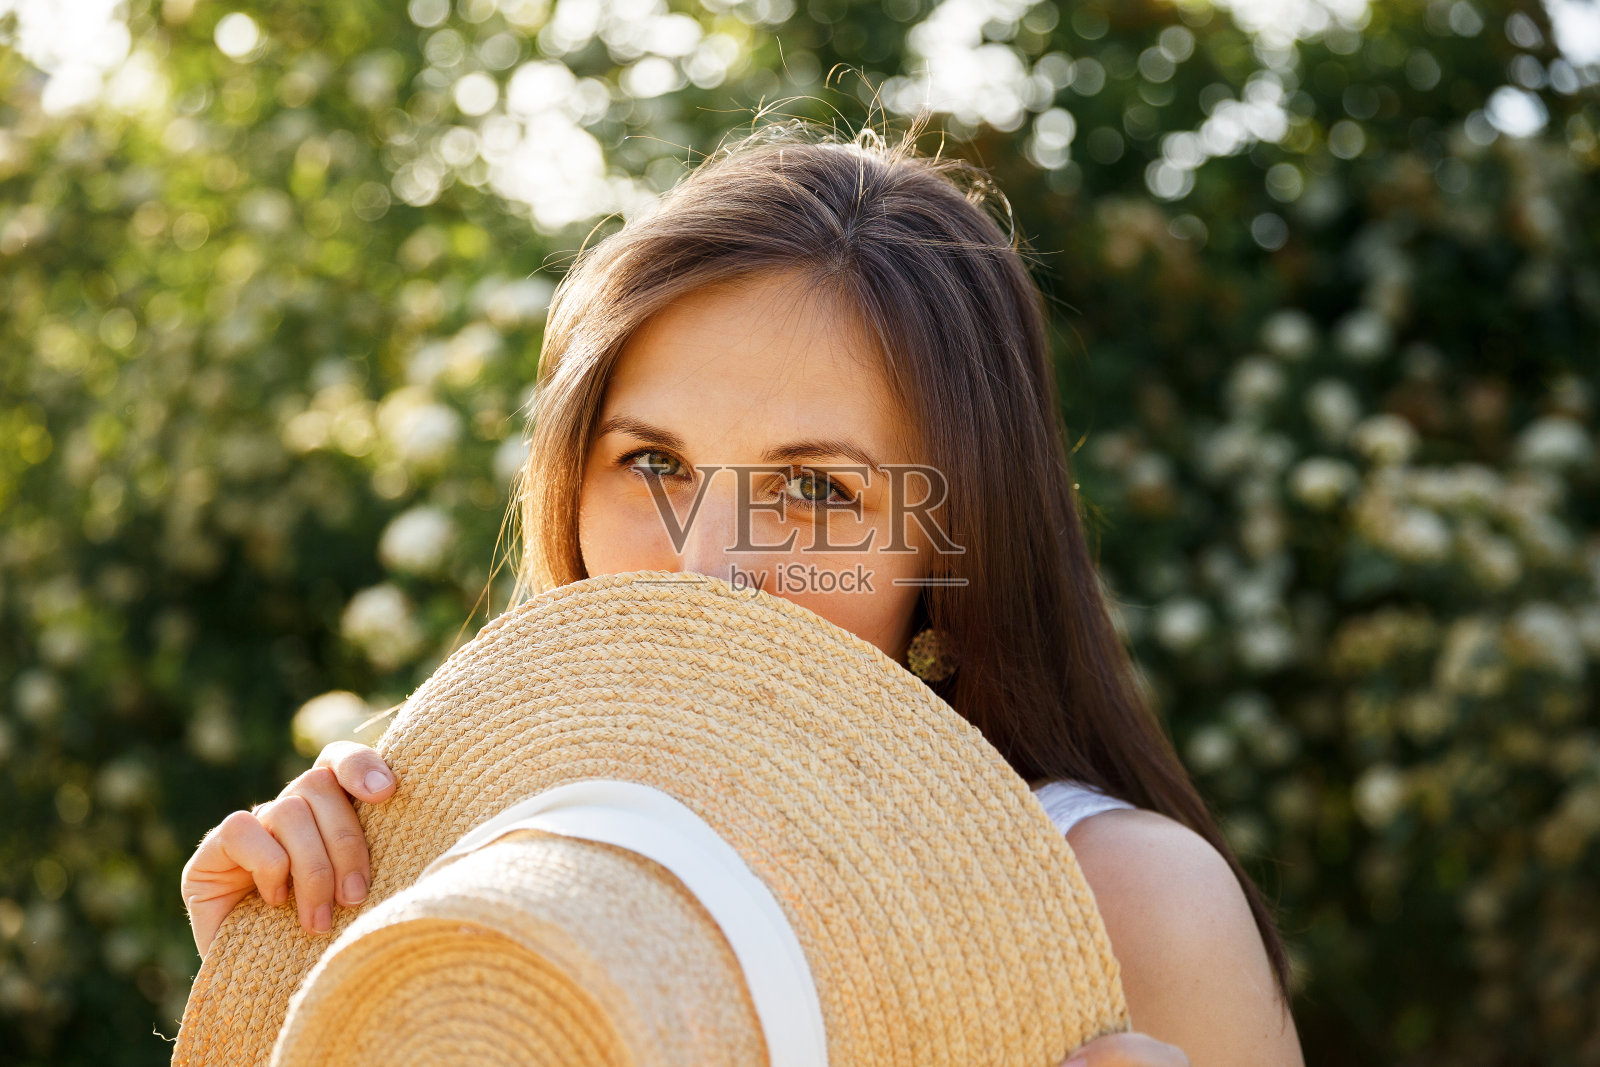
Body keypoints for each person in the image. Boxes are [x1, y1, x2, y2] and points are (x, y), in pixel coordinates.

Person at [181, 117, 1305, 1067]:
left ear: (957, 529)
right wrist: (284, 982)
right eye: (653, 465)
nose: (709, 562)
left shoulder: (1123, 903)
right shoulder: (445, 862)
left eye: (814, 487)